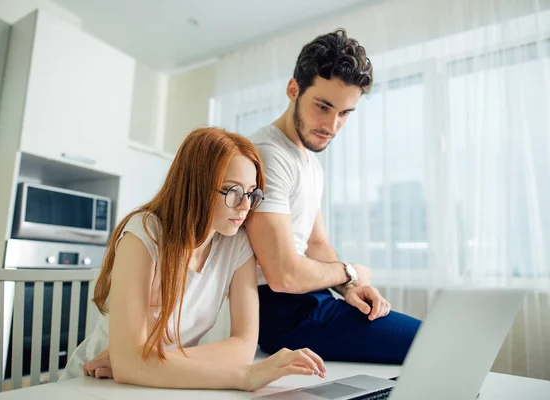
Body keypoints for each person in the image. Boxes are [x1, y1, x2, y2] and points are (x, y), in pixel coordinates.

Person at [59, 127, 326, 391]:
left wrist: (137, 362)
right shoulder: (145, 233)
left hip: (163, 382)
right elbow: (129, 365)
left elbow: (243, 348)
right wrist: (243, 377)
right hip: (93, 383)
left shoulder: (237, 244)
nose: (245, 206)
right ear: (196, 186)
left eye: (251, 193)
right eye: (232, 191)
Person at [246, 29, 421, 364]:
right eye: (323, 107)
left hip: (314, 300)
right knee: (430, 343)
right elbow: (284, 275)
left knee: (431, 342)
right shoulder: (267, 154)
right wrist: (351, 271)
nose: (332, 124)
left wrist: (350, 288)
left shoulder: (309, 162)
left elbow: (317, 243)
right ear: (293, 89)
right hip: (283, 316)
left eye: (344, 113)